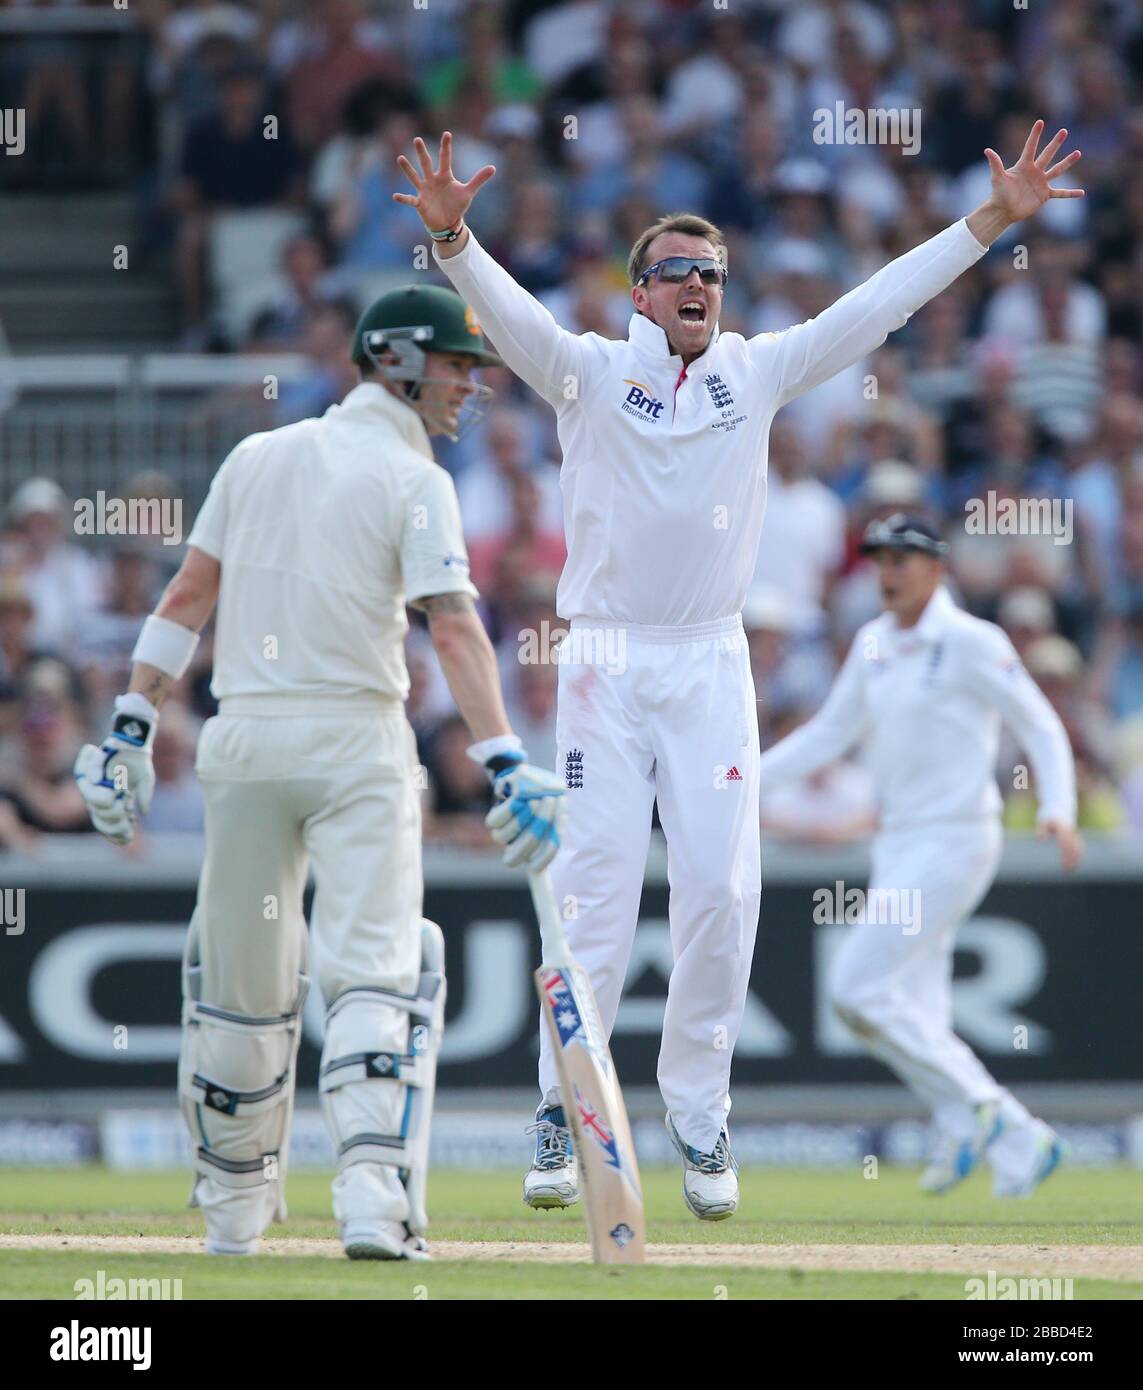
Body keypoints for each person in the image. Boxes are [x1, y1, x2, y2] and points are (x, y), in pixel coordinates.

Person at [393, 121, 1083, 1219]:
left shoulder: (755, 372)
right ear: (639, 292)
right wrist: (453, 237)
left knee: (724, 889)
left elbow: (875, 309)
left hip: (710, 658)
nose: (699, 284)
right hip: (606, 658)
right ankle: (564, 1110)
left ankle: (702, 1121)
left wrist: (988, 223)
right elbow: (509, 316)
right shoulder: (585, 369)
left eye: (710, 271)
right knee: (595, 896)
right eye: (676, 272)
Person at [74, 284, 565, 1260]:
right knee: (379, 969)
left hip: (245, 743)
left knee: (240, 985)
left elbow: (187, 594)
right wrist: (507, 757)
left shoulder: (258, 455)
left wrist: (131, 723)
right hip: (355, 743)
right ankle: (373, 1203)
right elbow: (456, 622)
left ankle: (230, 1217)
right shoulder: (415, 476)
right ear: (394, 360)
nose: (473, 386)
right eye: (458, 365)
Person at [759, 515, 1081, 1197]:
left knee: (855, 988)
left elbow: (1038, 723)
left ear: (936, 569)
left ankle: (973, 1103)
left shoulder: (970, 641)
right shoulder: (874, 642)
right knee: (914, 1007)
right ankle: (1013, 1135)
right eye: (879, 559)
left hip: (957, 837)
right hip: (898, 840)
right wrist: (738, 784)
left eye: (903, 559)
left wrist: (1057, 807)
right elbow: (828, 733)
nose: (888, 572)